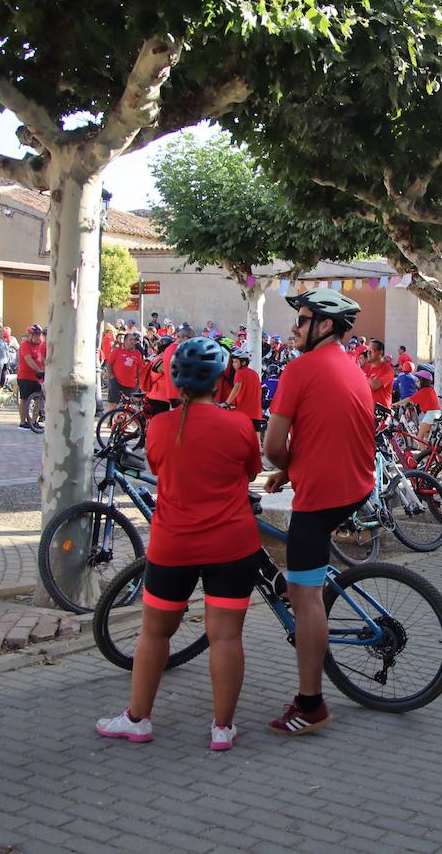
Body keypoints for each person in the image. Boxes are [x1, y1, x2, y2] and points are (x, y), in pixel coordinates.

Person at [95, 337, 263, 751]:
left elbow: (158, 466)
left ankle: (138, 718)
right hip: (232, 544)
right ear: (221, 381)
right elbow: (252, 470)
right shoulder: (239, 424)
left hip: (174, 547)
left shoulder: (160, 426)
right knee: (226, 637)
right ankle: (222, 728)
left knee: (155, 633)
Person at [264, 290, 374, 736]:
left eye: (303, 319)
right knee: (305, 570)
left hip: (324, 496)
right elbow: (325, 433)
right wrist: (292, 473)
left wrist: (284, 466)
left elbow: (272, 447)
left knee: (302, 595)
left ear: (324, 325)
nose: (295, 327)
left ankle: (311, 705)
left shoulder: (300, 368)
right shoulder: (351, 367)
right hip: (354, 485)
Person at [222, 347, 263, 429]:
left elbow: (236, 388)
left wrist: (226, 403)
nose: (233, 364)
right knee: (256, 439)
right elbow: (260, 391)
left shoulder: (239, 372)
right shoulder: (254, 373)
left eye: (236, 362)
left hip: (244, 413)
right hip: (257, 413)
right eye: (233, 362)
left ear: (243, 362)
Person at [15, 325, 46, 429]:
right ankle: (23, 422)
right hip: (25, 376)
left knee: (39, 399)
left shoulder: (41, 345)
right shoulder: (25, 345)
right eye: (36, 335)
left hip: (38, 377)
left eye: (39, 335)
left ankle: (34, 421)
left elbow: (43, 358)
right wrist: (39, 370)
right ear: (30, 335)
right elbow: (29, 360)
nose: (38, 337)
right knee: (24, 399)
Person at [105, 332, 144, 411]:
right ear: (125, 341)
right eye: (130, 340)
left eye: (134, 340)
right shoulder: (117, 351)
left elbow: (140, 369)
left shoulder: (137, 353)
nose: (133, 342)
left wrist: (138, 383)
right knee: (113, 402)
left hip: (130, 384)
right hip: (116, 382)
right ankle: (111, 420)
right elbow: (108, 364)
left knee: (127, 405)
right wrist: (112, 377)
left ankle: (121, 422)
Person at [361, 338, 395, 408]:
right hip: (368, 410)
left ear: (381, 352)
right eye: (367, 351)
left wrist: (362, 376)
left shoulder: (387, 370)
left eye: (372, 351)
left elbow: (375, 385)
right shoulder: (366, 367)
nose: (368, 353)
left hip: (382, 414)